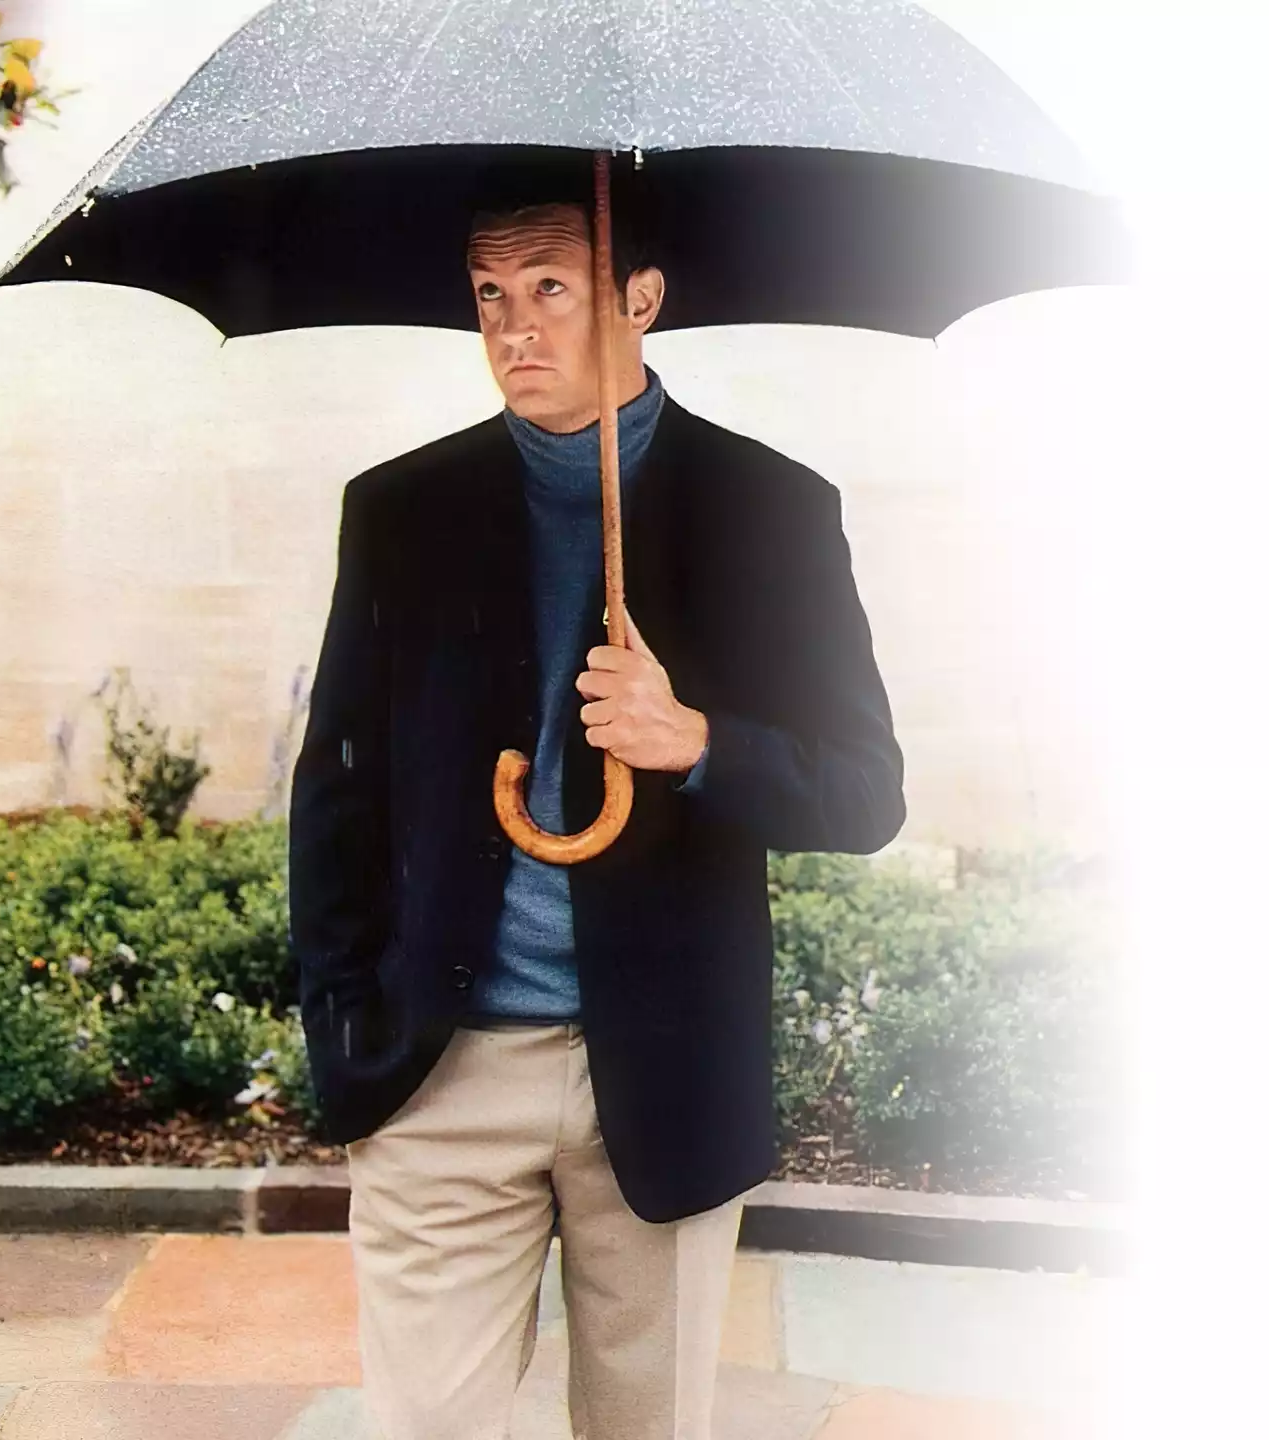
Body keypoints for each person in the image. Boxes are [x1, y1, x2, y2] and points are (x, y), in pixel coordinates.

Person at [287, 164, 905, 1440]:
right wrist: (350, 1035)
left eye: (551, 288)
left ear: (642, 298)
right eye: (488, 294)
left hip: (667, 1074)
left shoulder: (771, 510)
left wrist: (697, 741)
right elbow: (335, 801)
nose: (514, 329)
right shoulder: (399, 511)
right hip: (441, 1078)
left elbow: (864, 793)